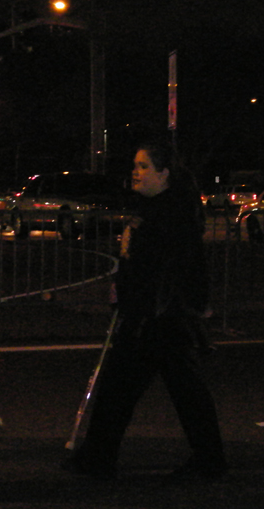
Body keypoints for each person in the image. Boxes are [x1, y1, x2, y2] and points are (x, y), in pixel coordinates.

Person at [65, 139, 227, 481]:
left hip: (159, 316)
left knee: (147, 389)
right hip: (150, 313)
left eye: (143, 166)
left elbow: (169, 268)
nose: (135, 173)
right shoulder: (154, 208)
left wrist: (144, 304)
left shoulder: (172, 212)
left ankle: (100, 457)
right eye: (135, 165)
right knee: (139, 389)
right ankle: (99, 455)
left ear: (164, 173)